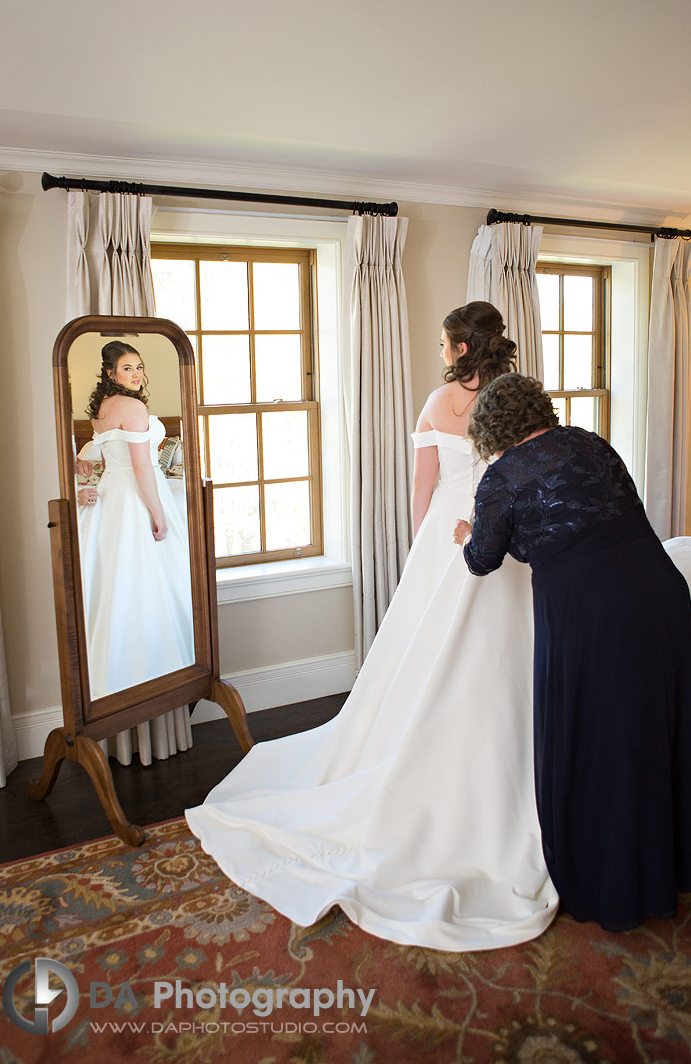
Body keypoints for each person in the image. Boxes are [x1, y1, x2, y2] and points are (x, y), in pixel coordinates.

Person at [185, 303, 559, 952]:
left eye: (444, 344)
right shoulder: (511, 400)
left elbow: (424, 486)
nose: (440, 353)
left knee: (431, 655)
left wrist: (424, 548)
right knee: (508, 655)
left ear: (461, 347)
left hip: (452, 534)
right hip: (507, 531)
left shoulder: (437, 401)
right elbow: (530, 471)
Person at [453, 373, 691, 931]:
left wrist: (469, 532)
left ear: (492, 426)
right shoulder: (592, 442)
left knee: (601, 743)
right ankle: (661, 869)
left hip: (597, 614)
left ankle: (608, 883)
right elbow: (592, 520)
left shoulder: (504, 475)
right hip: (663, 594)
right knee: (650, 737)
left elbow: (482, 560)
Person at [77, 341, 195, 699]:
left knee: (116, 579)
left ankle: (111, 679)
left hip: (112, 495)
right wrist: (158, 514)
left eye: (139, 367)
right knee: (150, 579)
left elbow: (94, 453)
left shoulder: (101, 408)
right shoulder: (132, 407)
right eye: (128, 368)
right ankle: (157, 673)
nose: (137, 374)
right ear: (111, 373)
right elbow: (143, 466)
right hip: (137, 494)